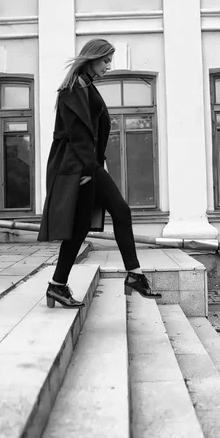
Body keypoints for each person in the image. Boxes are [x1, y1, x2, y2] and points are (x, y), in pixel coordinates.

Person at [38, 38, 162, 308]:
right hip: (80, 167)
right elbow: (77, 135)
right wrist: (88, 169)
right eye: (105, 61)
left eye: (109, 61)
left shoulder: (85, 86)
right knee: (120, 212)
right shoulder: (72, 90)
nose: (108, 66)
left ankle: (57, 286)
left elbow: (92, 132)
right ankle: (134, 274)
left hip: (88, 165)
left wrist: (94, 164)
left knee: (81, 227)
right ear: (91, 59)